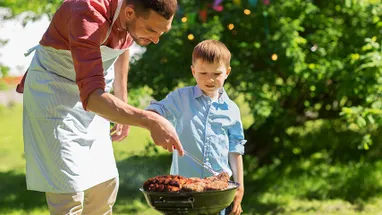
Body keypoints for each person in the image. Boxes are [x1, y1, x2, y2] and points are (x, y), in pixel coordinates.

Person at [16, 0, 184, 214]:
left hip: (94, 91)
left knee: (105, 186)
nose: (155, 39)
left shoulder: (128, 16)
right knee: (69, 192)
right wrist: (151, 120)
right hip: (54, 95)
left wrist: (122, 104)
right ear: (130, 12)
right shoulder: (87, 14)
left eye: (162, 32)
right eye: (151, 29)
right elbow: (93, 98)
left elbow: (123, 45)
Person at [146, 39, 246, 215]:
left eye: (216, 73)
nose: (210, 79)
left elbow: (235, 151)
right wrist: (153, 119)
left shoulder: (231, 110)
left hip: (218, 193)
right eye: (203, 73)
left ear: (227, 72)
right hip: (183, 191)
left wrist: (240, 187)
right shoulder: (181, 98)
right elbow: (157, 109)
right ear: (193, 71)